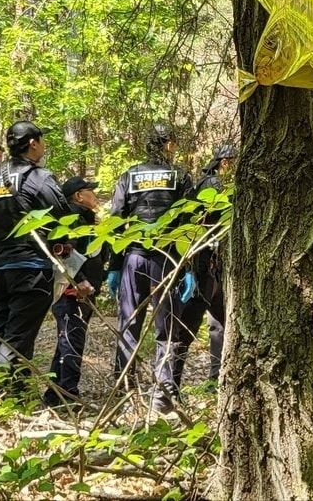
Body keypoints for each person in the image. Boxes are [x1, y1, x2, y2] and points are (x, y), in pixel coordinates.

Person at [0, 121, 72, 396]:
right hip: (31, 267)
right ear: (33, 143)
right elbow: (60, 216)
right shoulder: (39, 177)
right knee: (17, 336)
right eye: (42, 140)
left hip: (0, 267)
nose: (44, 145)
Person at [107, 122, 194, 415]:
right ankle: (163, 397)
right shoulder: (180, 176)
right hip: (166, 260)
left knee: (128, 326)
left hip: (133, 259)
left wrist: (115, 266)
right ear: (168, 144)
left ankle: (124, 391)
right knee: (167, 330)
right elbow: (188, 224)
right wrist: (187, 267)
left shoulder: (129, 175)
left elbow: (116, 221)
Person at [43, 176, 108, 409]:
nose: (95, 195)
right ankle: (69, 396)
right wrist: (79, 280)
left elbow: (98, 254)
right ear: (79, 196)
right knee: (72, 341)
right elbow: (64, 252)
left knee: (68, 340)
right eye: (91, 190)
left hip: (86, 289)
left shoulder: (89, 220)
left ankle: (54, 394)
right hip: (71, 289)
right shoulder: (70, 219)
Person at [177, 142, 235, 386]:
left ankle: (215, 379)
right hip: (204, 266)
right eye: (235, 163)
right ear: (225, 163)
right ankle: (171, 383)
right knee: (189, 325)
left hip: (212, 267)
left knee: (219, 322)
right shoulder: (213, 186)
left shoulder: (207, 184)